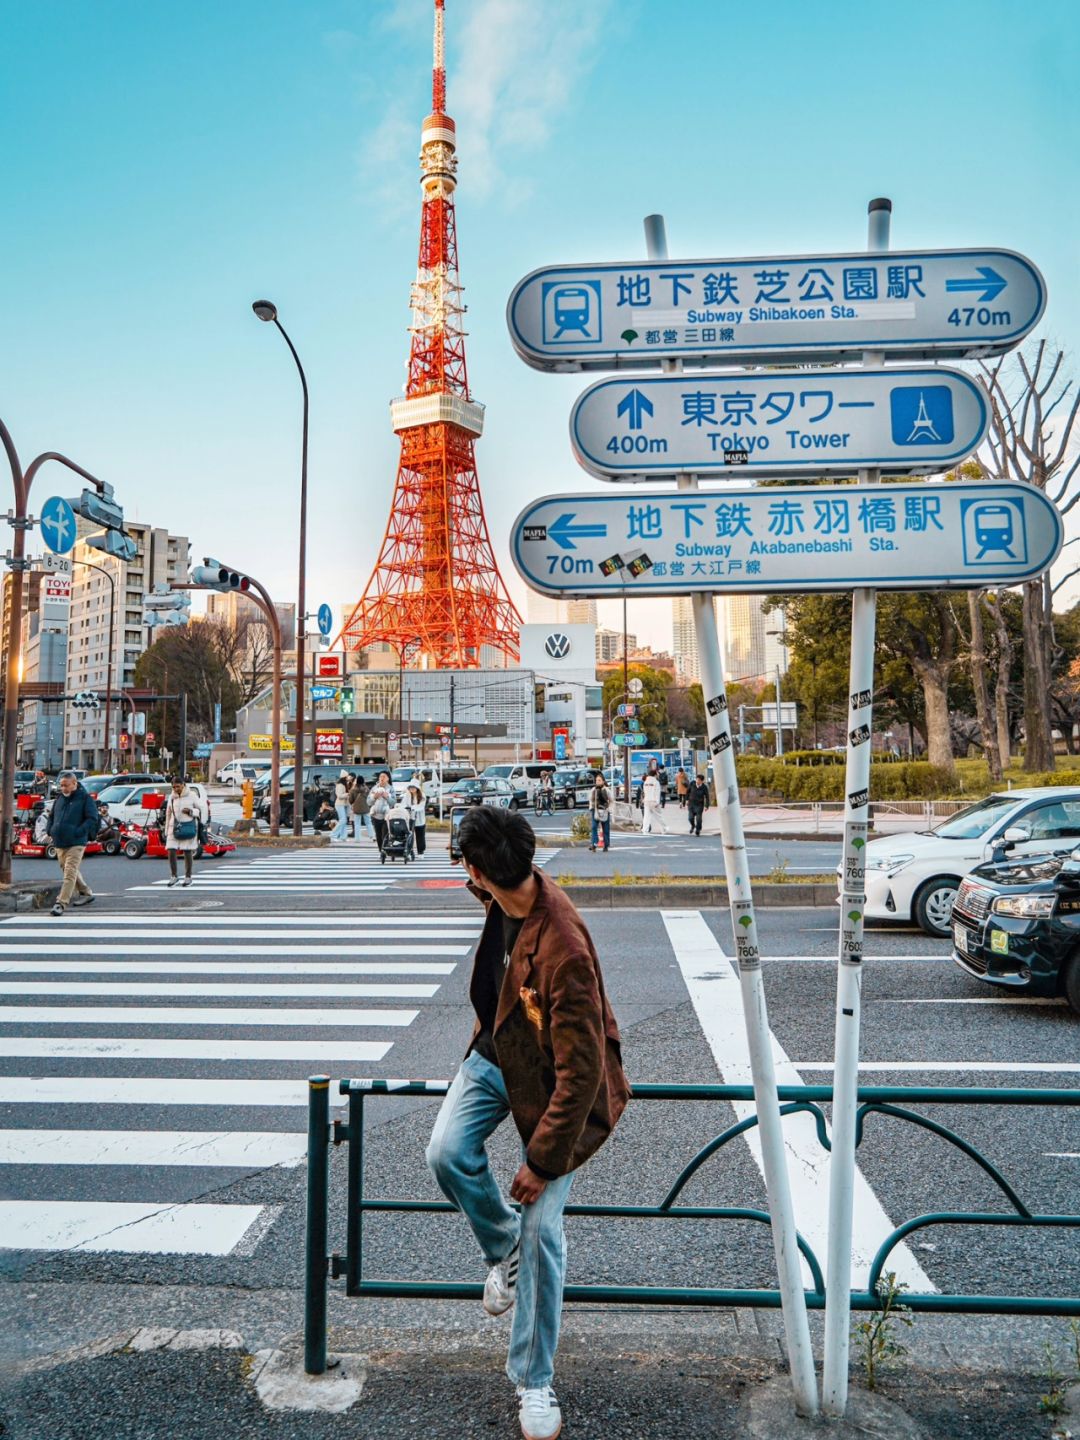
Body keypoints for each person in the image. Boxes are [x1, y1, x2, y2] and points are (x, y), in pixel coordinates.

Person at [427, 806, 629, 1440]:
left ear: (481, 870)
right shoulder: (506, 891)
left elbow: (583, 1072)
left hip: (555, 1092)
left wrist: (541, 1164)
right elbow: (481, 876)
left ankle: (534, 1383)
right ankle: (501, 1247)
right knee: (447, 1152)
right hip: (496, 1052)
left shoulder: (563, 948)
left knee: (542, 1232)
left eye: (469, 866)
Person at [45, 770, 98, 915]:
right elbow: (51, 816)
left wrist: (80, 831)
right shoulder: (59, 799)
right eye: (61, 786)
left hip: (76, 842)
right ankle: (86, 893)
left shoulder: (85, 798)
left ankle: (60, 903)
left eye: (66, 785)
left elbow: (92, 818)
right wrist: (49, 829)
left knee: (69, 872)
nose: (63, 788)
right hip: (59, 841)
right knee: (68, 870)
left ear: (74, 783)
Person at [164, 776, 206, 887]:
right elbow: (168, 813)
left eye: (178, 786)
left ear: (183, 784)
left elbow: (201, 809)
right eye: (173, 787)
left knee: (187, 851)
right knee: (170, 850)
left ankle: (188, 877)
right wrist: (166, 829)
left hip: (189, 826)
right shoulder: (172, 797)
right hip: (174, 826)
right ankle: (174, 876)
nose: (176, 789)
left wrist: (191, 812)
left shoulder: (192, 795)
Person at [368, 770, 393, 853]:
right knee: (378, 835)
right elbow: (368, 802)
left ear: (388, 779)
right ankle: (381, 851)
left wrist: (387, 797)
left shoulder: (390, 789)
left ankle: (385, 850)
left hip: (386, 816)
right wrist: (374, 797)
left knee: (385, 834)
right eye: (380, 777)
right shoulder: (374, 788)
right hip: (375, 815)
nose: (381, 778)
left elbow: (393, 802)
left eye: (384, 777)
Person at [588, 771, 611, 853]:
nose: (597, 782)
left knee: (606, 828)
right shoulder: (593, 789)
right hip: (595, 810)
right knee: (594, 827)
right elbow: (590, 800)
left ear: (603, 781)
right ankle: (594, 843)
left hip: (605, 810)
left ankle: (606, 845)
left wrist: (609, 809)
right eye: (597, 780)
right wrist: (592, 807)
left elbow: (612, 800)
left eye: (599, 780)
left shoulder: (607, 790)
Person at [640, 768, 667, 835]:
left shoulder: (645, 782)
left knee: (646, 816)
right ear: (654, 774)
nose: (658, 775)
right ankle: (664, 829)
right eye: (657, 774)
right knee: (658, 816)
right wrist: (657, 802)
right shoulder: (656, 782)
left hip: (647, 801)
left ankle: (644, 830)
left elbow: (645, 792)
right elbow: (657, 793)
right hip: (654, 801)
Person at [331, 770, 353, 843]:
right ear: (344, 777)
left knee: (343, 821)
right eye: (347, 777)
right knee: (343, 820)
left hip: (343, 804)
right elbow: (339, 795)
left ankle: (343, 837)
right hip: (340, 804)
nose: (348, 778)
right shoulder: (340, 785)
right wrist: (348, 794)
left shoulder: (344, 784)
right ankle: (333, 835)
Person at [407, 783, 427, 856]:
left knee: (420, 836)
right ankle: (409, 851)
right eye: (410, 787)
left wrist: (412, 807)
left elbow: (421, 807)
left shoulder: (422, 795)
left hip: (420, 819)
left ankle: (420, 852)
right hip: (410, 818)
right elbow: (404, 804)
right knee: (409, 836)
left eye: (413, 787)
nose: (412, 789)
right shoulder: (407, 795)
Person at [349, 774, 370, 839]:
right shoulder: (366, 789)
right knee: (368, 823)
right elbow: (369, 798)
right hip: (365, 808)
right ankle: (372, 836)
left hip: (356, 809)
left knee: (357, 824)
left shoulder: (353, 789)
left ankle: (357, 838)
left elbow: (350, 800)